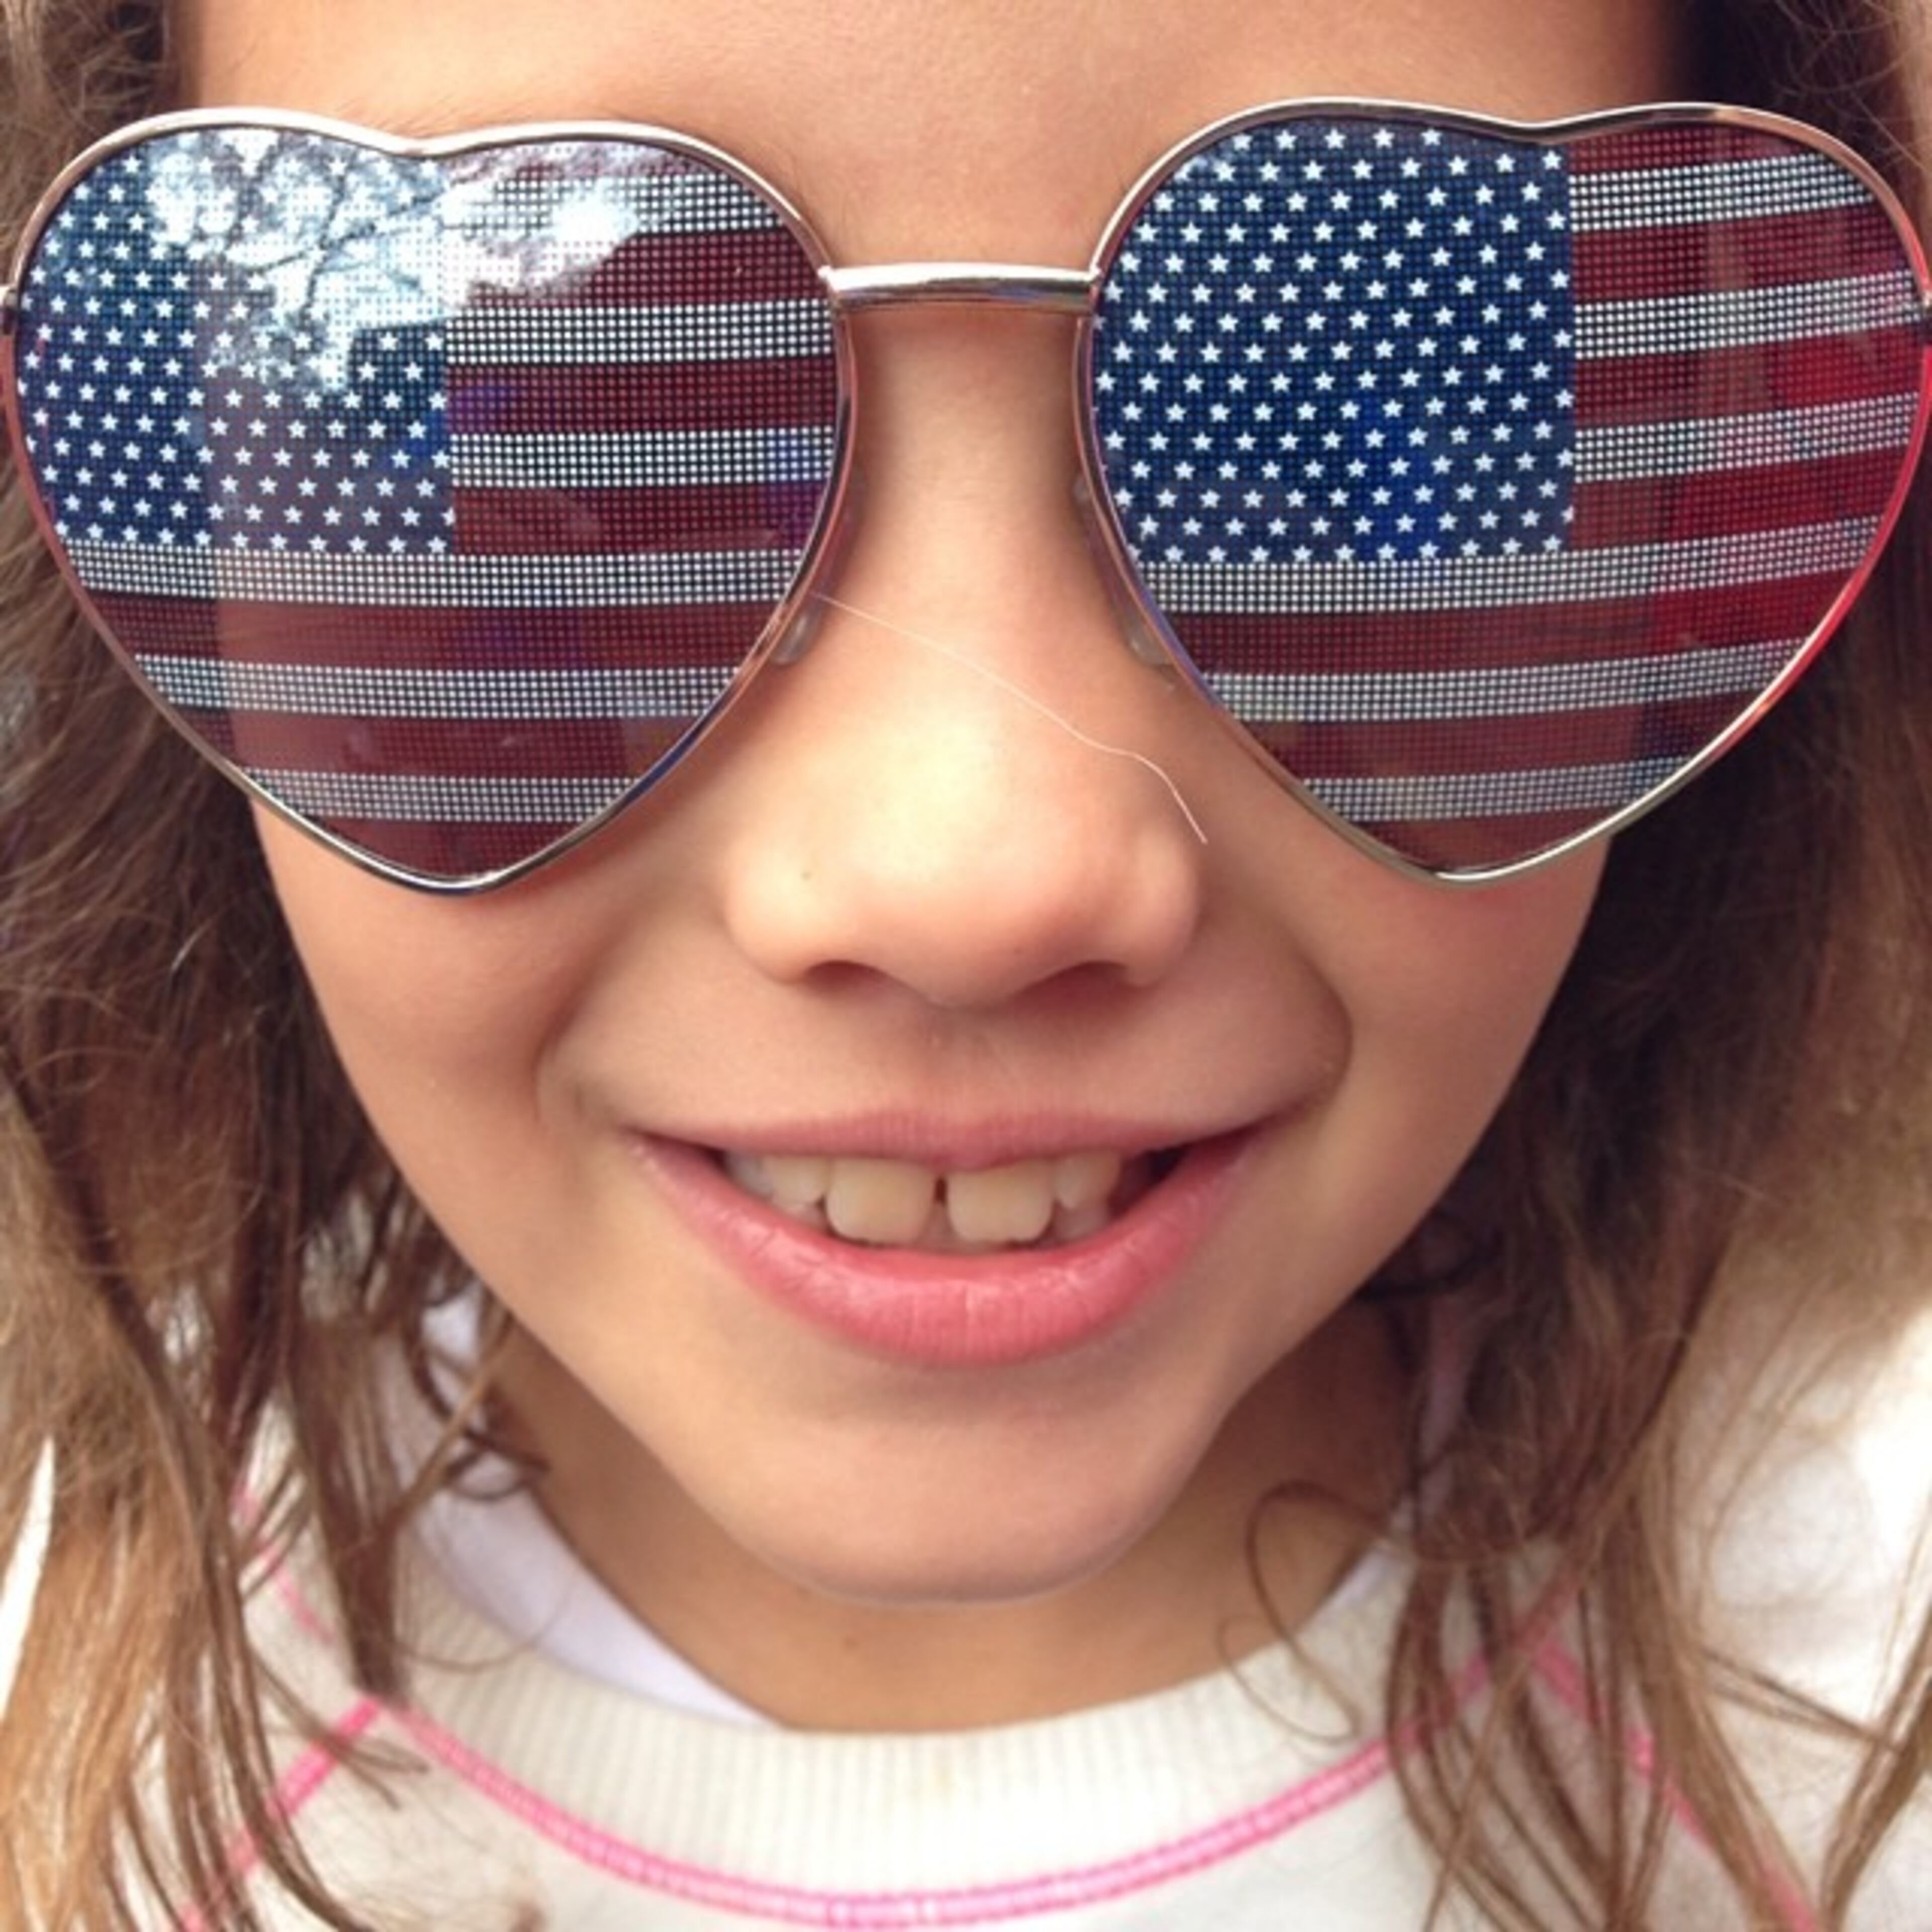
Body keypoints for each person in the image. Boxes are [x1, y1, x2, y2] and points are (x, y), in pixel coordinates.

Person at [1, 0, 1929, 1924]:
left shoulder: (1869, 1662)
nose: (971, 870)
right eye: (542, 446)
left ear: (1702, 461)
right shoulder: (41, 1636)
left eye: (1370, 444)